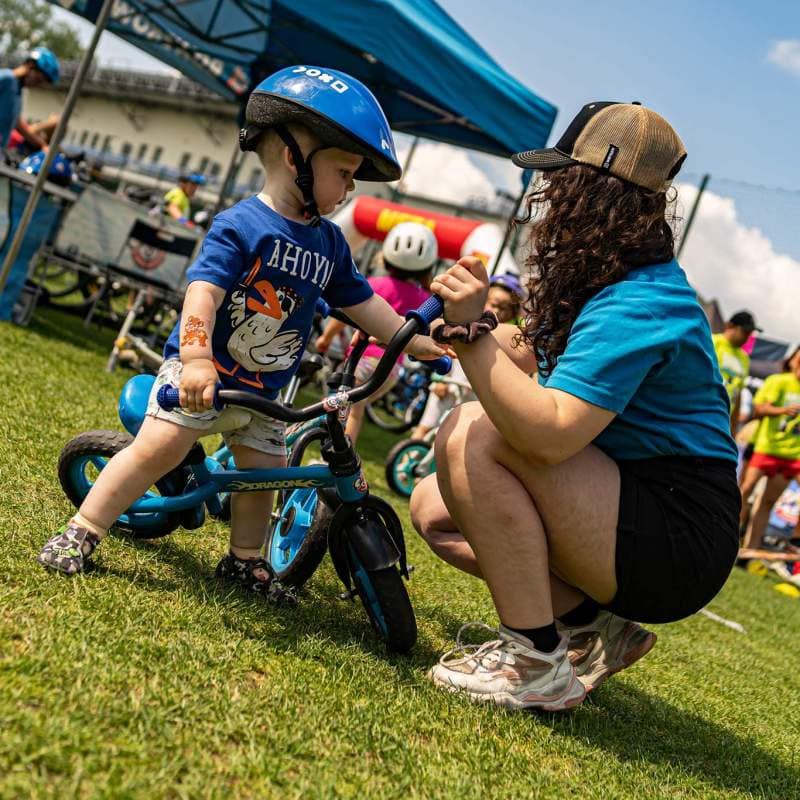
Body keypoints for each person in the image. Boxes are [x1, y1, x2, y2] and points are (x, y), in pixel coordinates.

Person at [37, 65, 447, 597]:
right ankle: (82, 530)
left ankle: (243, 559)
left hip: (264, 392)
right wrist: (197, 359)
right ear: (292, 157)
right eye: (344, 172)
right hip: (205, 374)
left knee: (265, 475)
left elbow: (367, 308)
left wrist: (416, 340)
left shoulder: (330, 245)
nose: (349, 187)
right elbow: (201, 293)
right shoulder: (241, 224)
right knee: (156, 447)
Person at [410, 101, 740, 712]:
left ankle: (535, 661)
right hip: (636, 500)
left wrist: (473, 339)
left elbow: (550, 434)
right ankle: (593, 627)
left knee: (471, 435)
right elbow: (530, 359)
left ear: (593, 193)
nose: (547, 195)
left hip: (680, 530)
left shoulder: (644, 301)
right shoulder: (609, 281)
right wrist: (473, 330)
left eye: (561, 179)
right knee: (435, 507)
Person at [315, 221, 436, 444]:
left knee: (348, 409)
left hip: (365, 360)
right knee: (349, 407)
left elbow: (346, 316)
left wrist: (326, 337)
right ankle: (335, 454)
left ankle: (337, 458)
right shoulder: (424, 299)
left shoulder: (374, 285)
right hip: (391, 370)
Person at [410, 273, 523, 441]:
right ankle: (408, 458)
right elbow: (447, 350)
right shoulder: (468, 325)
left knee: (456, 436)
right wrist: (441, 380)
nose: (498, 311)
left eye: (504, 308)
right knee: (425, 427)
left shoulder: (507, 337)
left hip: (472, 395)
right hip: (448, 386)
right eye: (494, 304)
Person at [739, 347, 800, 552]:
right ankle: (729, 536)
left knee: (768, 503)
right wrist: (781, 410)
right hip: (766, 449)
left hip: (792, 456)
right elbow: (759, 409)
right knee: (743, 492)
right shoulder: (778, 381)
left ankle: (752, 550)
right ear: (791, 360)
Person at [0, 48, 60, 151]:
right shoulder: (7, 79)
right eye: (39, 80)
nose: (38, 85)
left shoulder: (17, 93)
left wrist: (43, 145)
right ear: (31, 65)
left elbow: (19, 125)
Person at [712, 310, 760, 436]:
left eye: (749, 333)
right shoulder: (712, 342)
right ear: (730, 326)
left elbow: (738, 395)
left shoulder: (744, 358)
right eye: (744, 331)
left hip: (722, 422)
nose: (747, 337)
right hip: (700, 412)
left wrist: (733, 429)